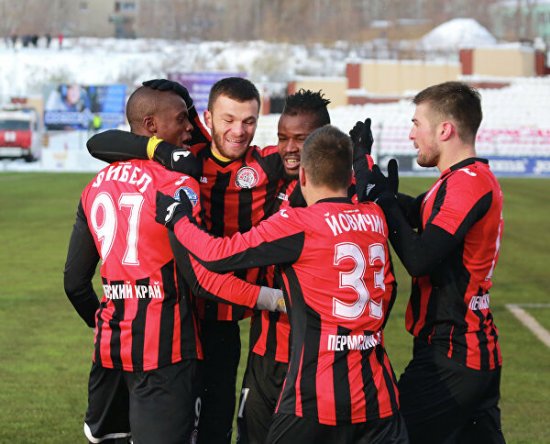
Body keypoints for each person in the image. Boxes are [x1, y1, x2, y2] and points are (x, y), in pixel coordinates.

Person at [156, 125, 408, 444]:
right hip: (379, 398)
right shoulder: (375, 216)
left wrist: (178, 218)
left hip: (315, 398)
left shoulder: (300, 224)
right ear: (349, 176)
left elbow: (215, 255)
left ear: (302, 175)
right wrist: (363, 159)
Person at [63, 82, 284, 444]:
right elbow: (200, 278)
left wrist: (104, 324)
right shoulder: (179, 179)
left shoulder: (97, 184)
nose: (187, 127)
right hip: (172, 338)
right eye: (228, 119)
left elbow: (74, 283)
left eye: (249, 121)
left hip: (116, 341)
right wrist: (271, 298)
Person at [361, 81, 505, 443]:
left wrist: (383, 199)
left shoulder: (467, 183)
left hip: (453, 352)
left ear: (445, 130)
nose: (411, 134)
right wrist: (373, 181)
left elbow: (420, 257)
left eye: (416, 124)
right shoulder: (460, 179)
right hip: (466, 349)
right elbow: (415, 214)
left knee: (391, 436)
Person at [235, 89, 331, 443]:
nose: (289, 148)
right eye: (282, 138)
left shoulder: (338, 199)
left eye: (300, 139)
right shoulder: (273, 178)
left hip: (310, 357)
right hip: (264, 350)